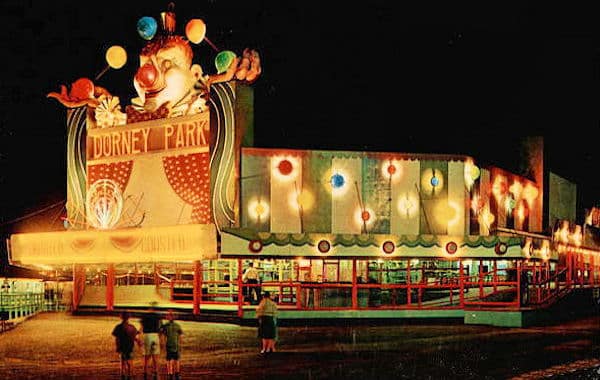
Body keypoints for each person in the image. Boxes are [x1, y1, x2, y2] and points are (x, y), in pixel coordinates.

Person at [112, 311, 141, 380]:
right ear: (129, 317)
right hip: (130, 346)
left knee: (122, 361)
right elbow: (134, 336)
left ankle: (122, 374)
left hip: (122, 346)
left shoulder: (118, 327)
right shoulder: (132, 327)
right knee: (130, 361)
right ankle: (131, 374)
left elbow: (117, 338)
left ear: (121, 317)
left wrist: (117, 347)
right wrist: (138, 341)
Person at [160, 309, 184, 380]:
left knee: (170, 360)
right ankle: (176, 374)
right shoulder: (177, 326)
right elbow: (180, 335)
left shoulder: (165, 326)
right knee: (176, 360)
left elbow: (163, 335)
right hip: (175, 344)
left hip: (170, 345)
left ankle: (170, 374)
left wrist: (163, 344)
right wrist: (180, 343)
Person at [140, 303, 162, 379]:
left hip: (147, 336)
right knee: (155, 356)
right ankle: (155, 372)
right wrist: (160, 338)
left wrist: (140, 338)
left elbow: (141, 328)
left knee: (146, 357)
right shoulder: (158, 317)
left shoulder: (144, 316)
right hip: (155, 336)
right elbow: (160, 328)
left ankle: (145, 372)